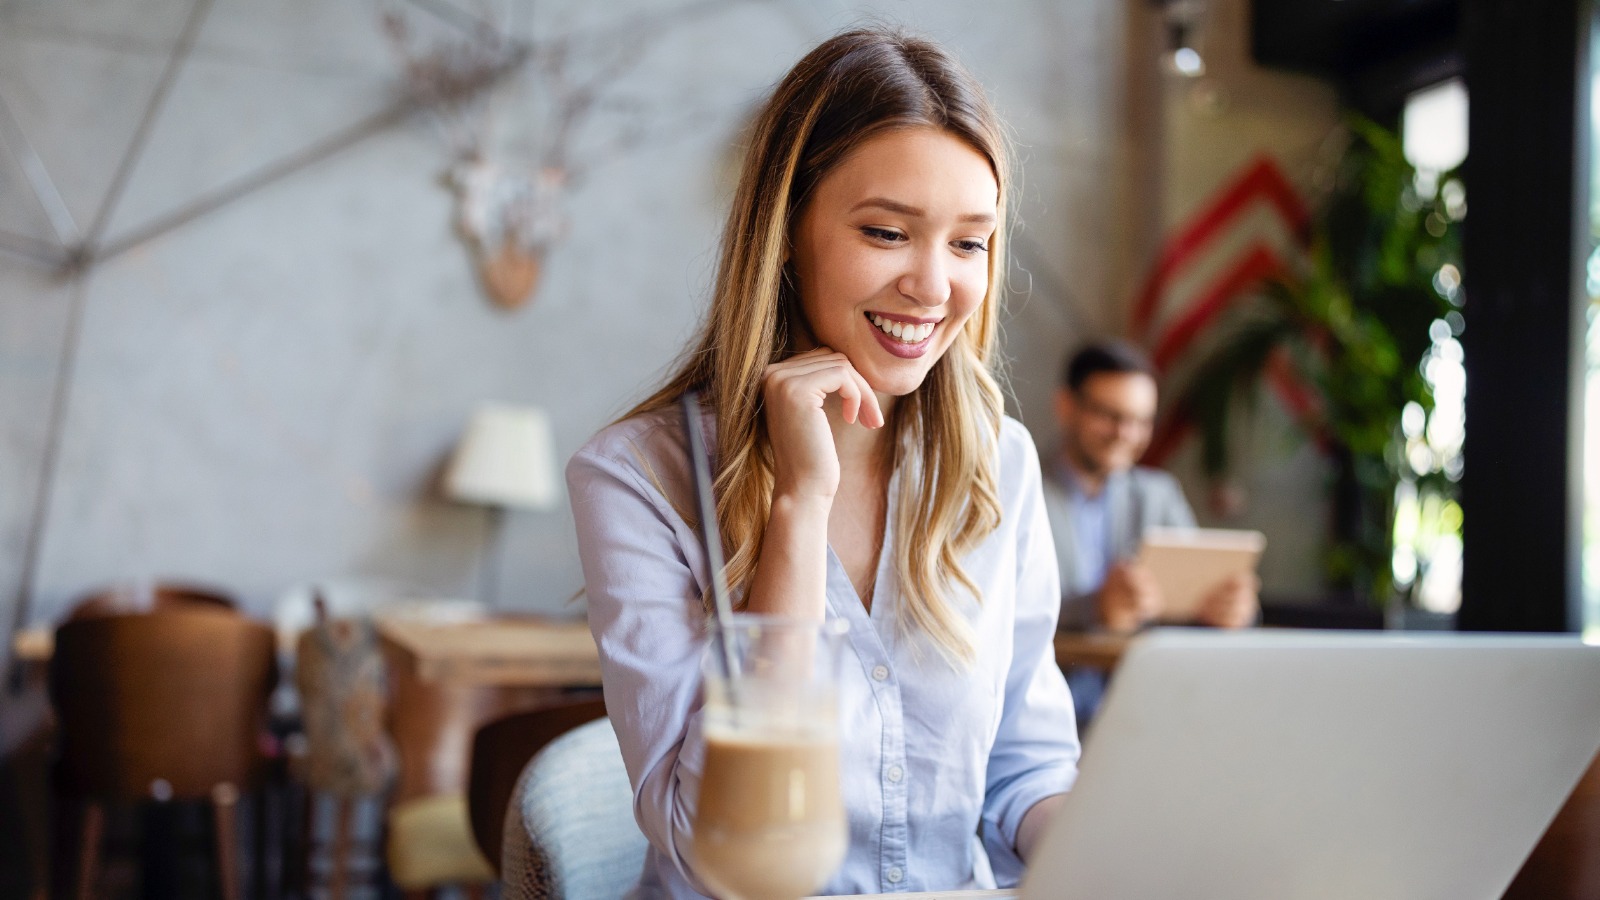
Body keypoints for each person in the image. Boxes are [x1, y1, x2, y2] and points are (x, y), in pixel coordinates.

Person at [566, 28, 1080, 899]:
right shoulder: (639, 478)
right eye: (887, 232)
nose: (934, 285)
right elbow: (715, 843)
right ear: (787, 233)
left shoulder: (1001, 464)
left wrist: (1127, 843)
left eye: (970, 243)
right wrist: (800, 508)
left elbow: (1023, 772)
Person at [1044, 342, 1259, 717]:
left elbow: (1194, 595)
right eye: (1108, 415)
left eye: (1141, 421)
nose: (1125, 433)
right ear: (1066, 407)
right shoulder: (1019, 489)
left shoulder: (1158, 496)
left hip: (1142, 709)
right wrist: (1095, 608)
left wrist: (1232, 610)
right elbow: (997, 609)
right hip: (1046, 708)